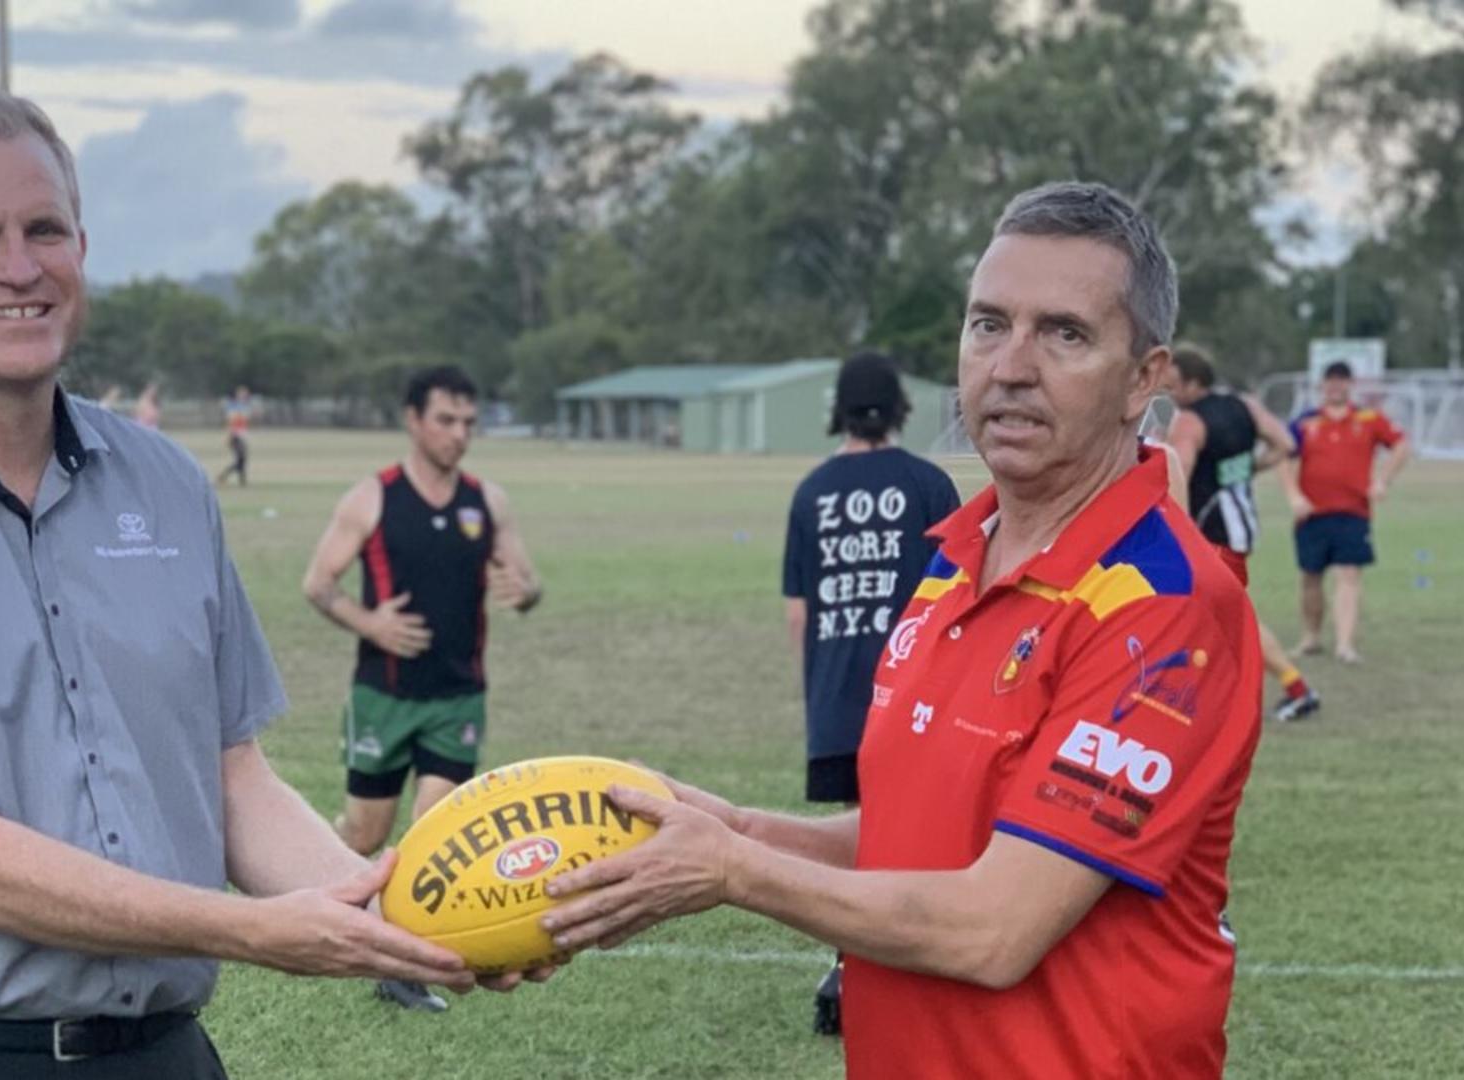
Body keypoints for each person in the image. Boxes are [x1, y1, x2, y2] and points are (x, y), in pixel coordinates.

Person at [0, 89, 533, 1080]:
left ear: (82, 243)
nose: (19, 267)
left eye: (45, 229)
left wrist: (428, 920)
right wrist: (251, 931)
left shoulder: (165, 485)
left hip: (160, 1054)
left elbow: (232, 781)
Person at [544, 182, 1262, 1078]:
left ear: (1145, 379)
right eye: (987, 324)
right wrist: (735, 827)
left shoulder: (1161, 605)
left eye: (1065, 333)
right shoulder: (960, 556)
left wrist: (735, 871)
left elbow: (994, 927)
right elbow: (913, 834)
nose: (1010, 365)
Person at [300, 365, 542, 1012]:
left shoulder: (487, 501)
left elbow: (529, 580)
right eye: (445, 420)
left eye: (468, 422)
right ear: (413, 420)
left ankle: (398, 968)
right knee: (361, 834)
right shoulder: (371, 499)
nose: (459, 435)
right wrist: (371, 623)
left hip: (458, 697)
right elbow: (317, 584)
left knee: (432, 836)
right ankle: (302, 906)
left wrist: (526, 592)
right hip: (383, 696)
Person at [779, 350, 959, 1034]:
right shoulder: (929, 483)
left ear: (840, 412)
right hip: (918, 691)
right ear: (899, 409)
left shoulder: (812, 491)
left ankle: (851, 966)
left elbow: (800, 612)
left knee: (864, 835)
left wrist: (818, 689)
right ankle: (883, 966)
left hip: (837, 693)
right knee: (923, 832)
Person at [1161, 345, 1321, 721]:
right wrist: (1249, 469)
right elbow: (1286, 444)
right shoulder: (1245, 405)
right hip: (1240, 531)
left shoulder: (1188, 422)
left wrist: (1178, 538)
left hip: (1208, 538)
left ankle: (1295, 687)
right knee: (1207, 620)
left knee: (1230, 619)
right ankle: (1206, 699)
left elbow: (1176, 474)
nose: (1169, 393)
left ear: (1192, 382)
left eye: (1172, 386)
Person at [1282, 361, 1411, 663]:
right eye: (1330, 381)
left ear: (1351, 385)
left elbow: (1402, 446)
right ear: (1321, 386)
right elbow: (1284, 457)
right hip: (1312, 513)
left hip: (1353, 512)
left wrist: (1383, 480)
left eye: (1342, 381)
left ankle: (1345, 644)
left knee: (1349, 575)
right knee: (1310, 576)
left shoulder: (1369, 419)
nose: (1335, 386)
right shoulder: (1306, 422)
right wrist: (1293, 496)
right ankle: (1311, 637)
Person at [218, 384, 252, 486]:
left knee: (242, 459)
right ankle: (231, 477)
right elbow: (231, 422)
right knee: (241, 458)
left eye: (245, 394)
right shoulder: (233, 406)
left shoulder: (245, 406)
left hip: (242, 435)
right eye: (242, 393)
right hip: (235, 436)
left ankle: (238, 480)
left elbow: (244, 423)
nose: (244, 395)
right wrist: (229, 435)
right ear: (238, 395)